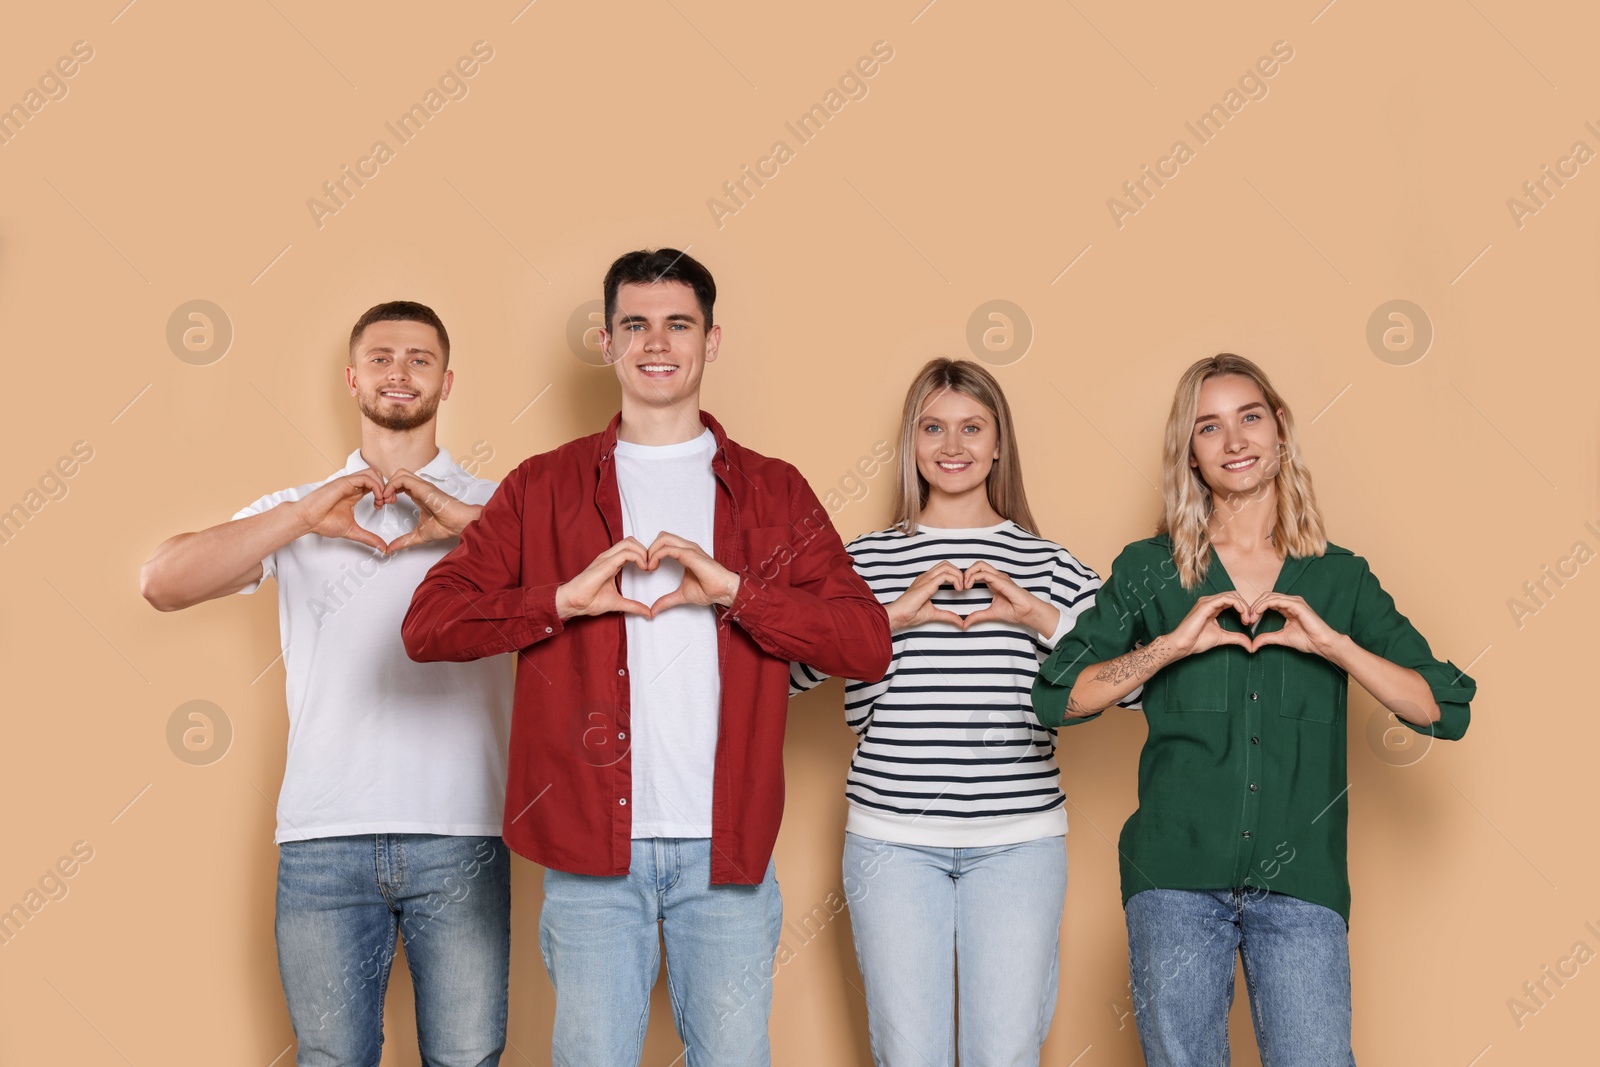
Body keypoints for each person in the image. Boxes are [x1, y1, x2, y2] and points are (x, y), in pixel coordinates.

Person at [401, 248, 891, 1067]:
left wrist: (737, 590)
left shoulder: (774, 490)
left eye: (677, 323)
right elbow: (430, 625)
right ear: (606, 341)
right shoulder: (542, 487)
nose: (656, 342)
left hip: (727, 855)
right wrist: (559, 600)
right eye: (635, 324)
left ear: (711, 339)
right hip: (591, 854)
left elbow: (866, 642)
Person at [1031, 353, 1476, 1066]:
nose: (1234, 440)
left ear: (1279, 433)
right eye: (1209, 427)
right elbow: (1060, 693)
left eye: (1250, 418)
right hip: (1173, 880)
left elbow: (1441, 707)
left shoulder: (1340, 576)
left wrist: (1333, 644)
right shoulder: (1151, 569)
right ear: (1191, 454)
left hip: (1302, 885)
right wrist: (1169, 646)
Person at [139, 301, 515, 1066]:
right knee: (331, 1059)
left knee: (469, 1058)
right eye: (381, 357)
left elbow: (593, 579)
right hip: (322, 838)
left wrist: (466, 524)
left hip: (463, 832)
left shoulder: (500, 508)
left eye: (418, 357)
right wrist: (303, 516)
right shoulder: (300, 511)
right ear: (352, 379)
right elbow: (161, 580)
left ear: (448, 379)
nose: (399, 371)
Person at [790, 358, 1135, 1066]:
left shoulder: (1048, 564)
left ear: (999, 442)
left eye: (972, 426)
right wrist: (891, 619)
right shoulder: (861, 563)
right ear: (912, 443)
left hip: (1019, 842)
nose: (953, 445)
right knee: (907, 1054)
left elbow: (1130, 680)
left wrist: (1037, 614)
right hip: (891, 841)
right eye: (934, 427)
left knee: (1003, 1056)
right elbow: (793, 672)